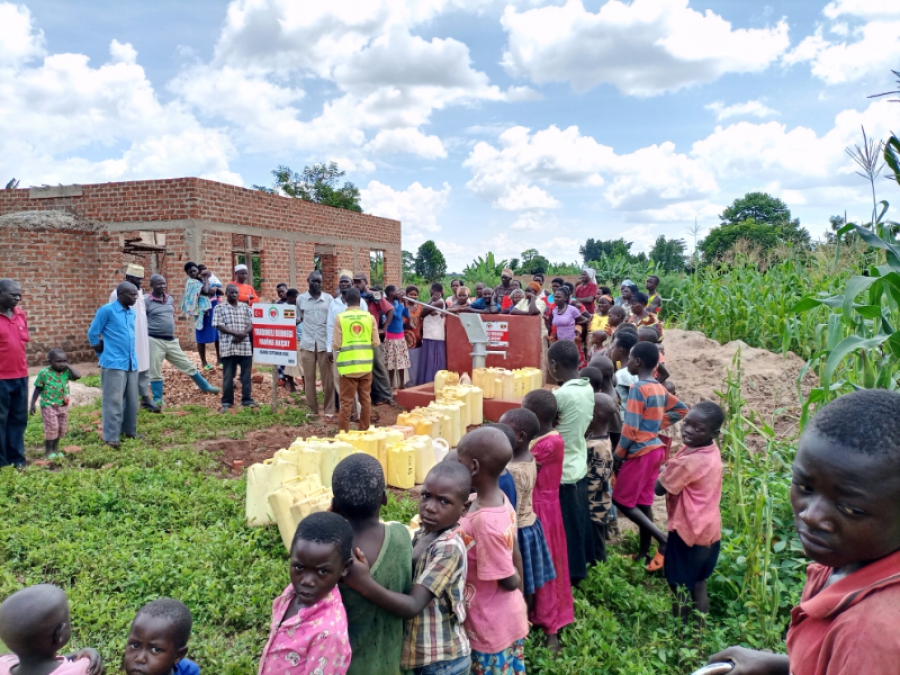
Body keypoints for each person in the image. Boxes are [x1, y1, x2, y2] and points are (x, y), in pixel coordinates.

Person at [709, 389, 900, 675]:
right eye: (805, 488)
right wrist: (779, 666)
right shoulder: (846, 561)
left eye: (850, 509)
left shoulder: (869, 634)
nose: (810, 516)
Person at [344, 461, 472, 675]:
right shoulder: (424, 532)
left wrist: (364, 583)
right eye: (426, 496)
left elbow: (413, 605)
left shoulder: (449, 547)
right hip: (420, 657)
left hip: (443, 661)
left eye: (444, 501)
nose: (430, 507)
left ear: (464, 508)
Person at [455, 427, 529, 673]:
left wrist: (516, 583)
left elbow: (506, 579)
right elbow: (514, 550)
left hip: (490, 625)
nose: (456, 467)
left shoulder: (484, 523)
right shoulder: (499, 499)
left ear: (474, 467)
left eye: (459, 462)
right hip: (503, 615)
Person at [331, 454, 412, 675]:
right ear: (385, 498)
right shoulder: (401, 536)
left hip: (346, 667)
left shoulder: (329, 554)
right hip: (392, 663)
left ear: (335, 504)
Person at [613, 342, 688, 572]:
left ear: (637, 362)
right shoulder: (658, 387)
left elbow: (630, 428)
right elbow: (681, 409)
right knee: (643, 503)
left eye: (630, 360)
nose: (627, 364)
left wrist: (618, 455)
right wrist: (654, 426)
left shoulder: (638, 388)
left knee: (621, 501)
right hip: (655, 450)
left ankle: (663, 541)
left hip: (641, 452)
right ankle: (644, 553)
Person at [654, 401, 724, 626]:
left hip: (687, 533)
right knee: (698, 583)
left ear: (714, 433)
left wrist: (665, 470)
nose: (688, 431)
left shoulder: (689, 462)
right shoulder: (709, 450)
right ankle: (699, 634)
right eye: (687, 424)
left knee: (679, 587)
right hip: (710, 532)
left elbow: (659, 488)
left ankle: (681, 636)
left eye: (698, 428)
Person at [259, 512, 354, 675]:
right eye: (299, 567)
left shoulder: (329, 634)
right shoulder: (292, 592)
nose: (307, 581)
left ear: (344, 568)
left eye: (322, 571)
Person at [520, 389, 574, 651]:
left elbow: (518, 463)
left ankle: (550, 624)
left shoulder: (549, 444)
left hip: (542, 509)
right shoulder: (544, 437)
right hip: (539, 504)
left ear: (534, 416)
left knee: (546, 562)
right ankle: (534, 615)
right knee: (536, 562)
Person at [548, 339, 596, 582]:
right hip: (577, 460)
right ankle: (582, 564)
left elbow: (544, 424)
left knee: (565, 526)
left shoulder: (561, 395)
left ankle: (571, 574)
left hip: (562, 469)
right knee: (578, 521)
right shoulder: (586, 387)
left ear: (554, 365)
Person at [499, 408, 558, 607]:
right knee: (528, 574)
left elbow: (508, 509)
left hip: (519, 530)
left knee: (520, 574)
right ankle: (528, 614)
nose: (501, 436)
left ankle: (521, 614)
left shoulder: (512, 472)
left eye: (505, 432)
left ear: (521, 437)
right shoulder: (529, 458)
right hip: (532, 525)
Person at [146, 274, 220, 406]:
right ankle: (157, 398)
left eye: (164, 283)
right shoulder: (146, 301)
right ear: (151, 285)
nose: (162, 286)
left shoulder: (169, 299)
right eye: (158, 284)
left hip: (171, 340)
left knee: (187, 364)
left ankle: (205, 386)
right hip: (154, 340)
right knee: (155, 369)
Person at [0, 585, 102, 675]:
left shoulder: (3, 664)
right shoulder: (83, 669)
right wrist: (88, 654)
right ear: (59, 635)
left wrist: (74, 655)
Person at [89, 282, 141, 447]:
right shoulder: (107, 310)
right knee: (114, 401)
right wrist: (102, 353)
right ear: (120, 295)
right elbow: (93, 333)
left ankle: (129, 430)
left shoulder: (131, 313)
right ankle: (111, 437)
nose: (135, 297)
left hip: (131, 362)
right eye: (131, 294)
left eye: (136, 294)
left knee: (132, 400)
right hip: (113, 363)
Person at [579, 367, 618, 562]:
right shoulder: (601, 438)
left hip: (594, 506)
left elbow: (594, 480)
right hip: (600, 503)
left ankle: (598, 571)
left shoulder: (595, 446)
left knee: (595, 546)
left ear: (592, 417)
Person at [110, 264, 159, 413]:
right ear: (128, 278)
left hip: (142, 336)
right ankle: (126, 401)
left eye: (141, 279)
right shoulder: (116, 294)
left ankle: (145, 398)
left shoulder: (139, 293)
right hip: (127, 338)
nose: (139, 282)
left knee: (143, 366)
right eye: (136, 279)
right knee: (129, 369)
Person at [333, 288, 379, 432]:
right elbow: (376, 342)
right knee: (365, 400)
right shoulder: (369, 317)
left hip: (347, 368)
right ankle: (364, 431)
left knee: (346, 403)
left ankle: (344, 434)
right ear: (360, 300)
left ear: (345, 300)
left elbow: (337, 345)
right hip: (365, 366)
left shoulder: (340, 318)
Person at [326, 273, 369, 412]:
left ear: (352, 284)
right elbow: (330, 326)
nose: (343, 284)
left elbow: (366, 324)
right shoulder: (334, 303)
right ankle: (349, 409)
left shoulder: (361, 302)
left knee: (356, 377)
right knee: (339, 379)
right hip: (339, 347)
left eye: (346, 282)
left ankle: (358, 410)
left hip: (356, 348)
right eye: (341, 282)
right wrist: (329, 348)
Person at [124, 599, 199, 675]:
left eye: (156, 650)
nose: (140, 659)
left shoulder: (188, 670)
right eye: (135, 645)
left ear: (178, 655)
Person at [30, 349, 81, 459]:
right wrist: (32, 404)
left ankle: (55, 449)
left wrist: (69, 366)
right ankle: (48, 451)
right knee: (52, 427)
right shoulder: (44, 373)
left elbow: (78, 376)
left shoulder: (66, 372)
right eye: (58, 361)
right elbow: (38, 388)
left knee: (60, 428)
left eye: (64, 361)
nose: (62, 364)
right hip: (49, 405)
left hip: (63, 405)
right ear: (50, 362)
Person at [213, 283, 256, 412]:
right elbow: (218, 325)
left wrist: (243, 335)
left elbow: (252, 322)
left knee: (246, 376)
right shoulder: (219, 308)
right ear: (226, 294)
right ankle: (227, 402)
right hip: (228, 348)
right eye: (231, 292)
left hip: (244, 348)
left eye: (236, 292)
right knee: (228, 377)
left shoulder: (245, 307)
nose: (235, 294)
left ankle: (247, 400)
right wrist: (235, 334)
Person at [298, 271, 335, 420]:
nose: (316, 284)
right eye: (314, 281)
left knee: (328, 379)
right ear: (308, 281)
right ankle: (312, 410)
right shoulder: (301, 299)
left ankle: (329, 409)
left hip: (324, 345)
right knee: (309, 379)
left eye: (319, 281)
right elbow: (298, 318)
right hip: (307, 344)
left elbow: (332, 322)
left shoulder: (329, 299)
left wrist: (331, 346)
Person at [353, 274, 395, 406]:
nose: (357, 284)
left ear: (366, 282)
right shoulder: (353, 295)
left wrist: (384, 328)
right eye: (355, 282)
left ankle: (387, 395)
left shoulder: (374, 295)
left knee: (378, 365)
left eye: (359, 282)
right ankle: (372, 396)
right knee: (363, 367)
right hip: (356, 336)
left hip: (371, 335)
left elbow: (390, 309)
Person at [0, 279, 29, 468]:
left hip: (21, 375)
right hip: (1, 378)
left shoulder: (20, 315)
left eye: (19, 294)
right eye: (13, 294)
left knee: (18, 420)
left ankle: (17, 459)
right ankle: (2, 462)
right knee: (1, 421)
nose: (18, 298)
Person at [182, 262, 218, 371]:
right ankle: (204, 362)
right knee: (201, 335)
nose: (193, 273)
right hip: (201, 312)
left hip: (211, 308)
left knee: (217, 333)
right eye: (190, 272)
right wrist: (206, 277)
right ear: (188, 274)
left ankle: (220, 360)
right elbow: (206, 291)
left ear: (198, 270)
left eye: (194, 270)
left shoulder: (200, 280)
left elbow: (216, 290)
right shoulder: (192, 282)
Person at [383, 285, 411, 391]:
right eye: (396, 291)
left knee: (401, 362)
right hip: (391, 338)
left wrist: (405, 303)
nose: (399, 293)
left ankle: (401, 383)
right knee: (391, 363)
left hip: (400, 338)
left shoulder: (398, 303)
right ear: (391, 293)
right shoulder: (387, 304)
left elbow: (407, 315)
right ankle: (391, 384)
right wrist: (400, 302)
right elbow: (397, 315)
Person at [418, 283, 447, 385]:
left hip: (435, 336)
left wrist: (430, 301)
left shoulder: (439, 302)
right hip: (429, 335)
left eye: (431, 290)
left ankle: (432, 383)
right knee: (429, 361)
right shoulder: (435, 302)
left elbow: (423, 311)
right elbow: (424, 311)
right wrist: (429, 306)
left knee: (433, 361)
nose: (430, 292)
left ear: (434, 291)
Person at [405, 285, 423, 349]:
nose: (413, 296)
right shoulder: (403, 306)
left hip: (418, 339)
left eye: (415, 295)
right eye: (411, 294)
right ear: (406, 295)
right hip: (404, 338)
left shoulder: (420, 306)